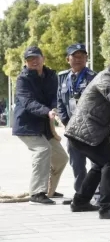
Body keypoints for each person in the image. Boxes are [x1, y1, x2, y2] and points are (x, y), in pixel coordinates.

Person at [64, 50, 110, 219]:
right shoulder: (105, 77)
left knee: (99, 165)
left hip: (87, 132)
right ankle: (107, 207)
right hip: (84, 132)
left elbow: (109, 105)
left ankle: (80, 201)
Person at [12, 46, 68, 205]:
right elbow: (28, 102)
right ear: (26, 62)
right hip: (27, 125)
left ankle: (49, 190)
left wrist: (54, 109)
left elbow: (55, 96)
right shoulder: (23, 79)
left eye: (36, 57)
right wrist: (47, 111)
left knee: (61, 158)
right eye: (29, 59)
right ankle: (37, 193)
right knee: (43, 150)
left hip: (44, 125)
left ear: (43, 58)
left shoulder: (51, 76)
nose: (34, 61)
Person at [56, 43, 96, 204]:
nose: (79, 59)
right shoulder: (62, 77)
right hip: (72, 128)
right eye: (75, 56)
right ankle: (80, 194)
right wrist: (66, 121)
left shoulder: (93, 77)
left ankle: (98, 194)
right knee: (77, 163)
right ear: (68, 59)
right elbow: (60, 101)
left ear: (87, 58)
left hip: (91, 127)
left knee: (96, 161)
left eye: (82, 56)